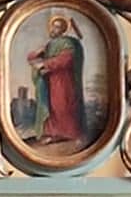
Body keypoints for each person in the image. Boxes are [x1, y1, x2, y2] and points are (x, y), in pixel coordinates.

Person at [25, 11, 87, 145]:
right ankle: (52, 134)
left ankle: (69, 133)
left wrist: (45, 64)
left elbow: (66, 60)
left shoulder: (68, 43)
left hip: (64, 81)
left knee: (63, 106)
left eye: (58, 27)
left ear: (63, 29)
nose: (54, 29)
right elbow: (31, 58)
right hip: (50, 81)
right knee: (50, 107)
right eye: (53, 26)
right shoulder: (49, 45)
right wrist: (37, 54)